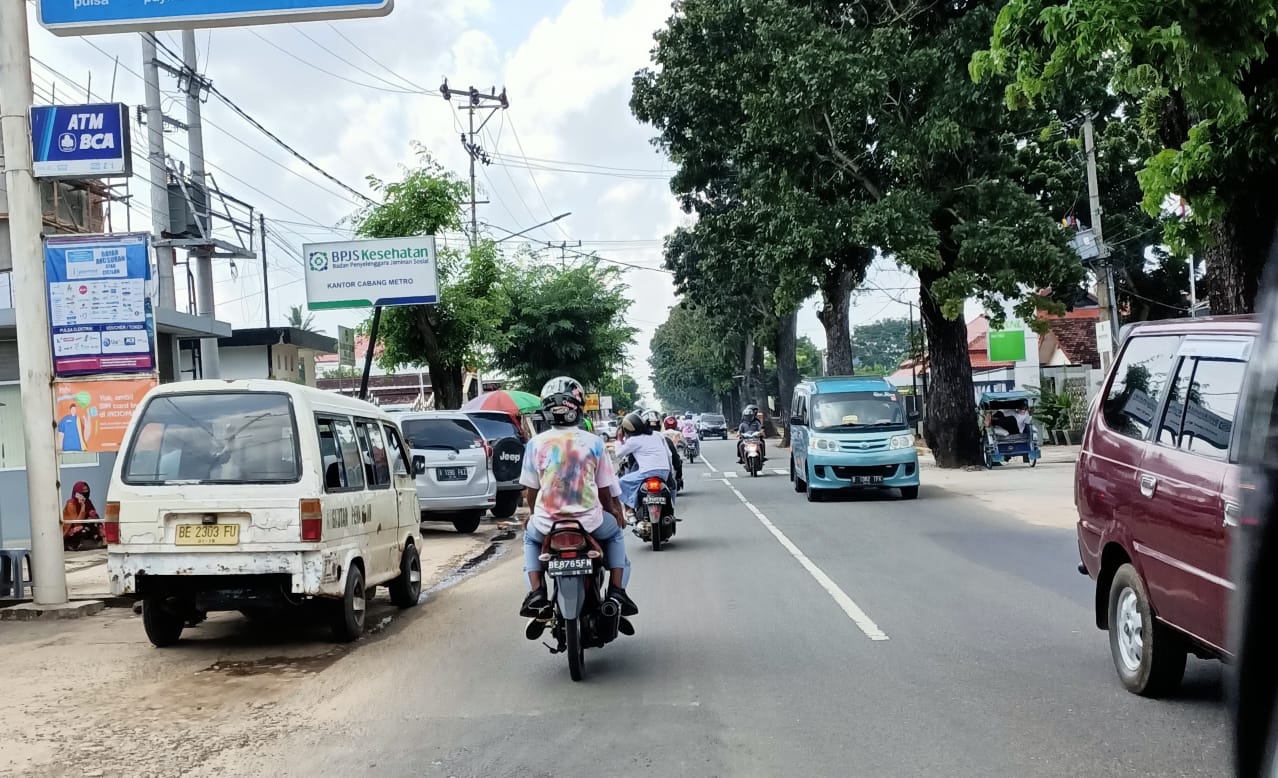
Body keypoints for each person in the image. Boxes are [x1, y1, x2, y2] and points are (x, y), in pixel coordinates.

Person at [519, 376, 637, 619]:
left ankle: (537, 591)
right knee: (614, 533)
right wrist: (614, 511)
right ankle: (617, 591)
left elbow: (531, 491)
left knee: (530, 539)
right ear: (579, 406)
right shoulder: (594, 443)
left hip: (547, 523)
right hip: (589, 522)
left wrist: (533, 514)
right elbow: (604, 489)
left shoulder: (535, 444)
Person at [616, 409, 675, 512]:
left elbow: (619, 454)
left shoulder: (633, 441)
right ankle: (672, 509)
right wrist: (671, 472)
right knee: (672, 487)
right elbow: (669, 454)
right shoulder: (657, 435)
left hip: (647, 472)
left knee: (620, 482)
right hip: (664, 472)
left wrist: (619, 440)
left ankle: (629, 510)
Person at [62, 481, 101, 551]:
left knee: (94, 523)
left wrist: (93, 516)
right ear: (77, 492)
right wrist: (83, 507)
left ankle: (96, 541)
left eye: (87, 490)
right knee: (82, 529)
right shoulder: (71, 504)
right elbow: (77, 523)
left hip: (83, 526)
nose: (85, 492)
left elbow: (95, 516)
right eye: (83, 490)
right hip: (70, 530)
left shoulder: (88, 502)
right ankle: (71, 544)